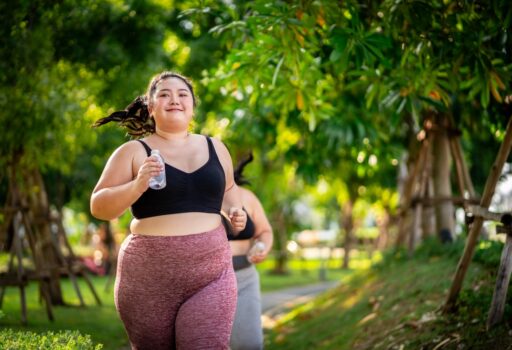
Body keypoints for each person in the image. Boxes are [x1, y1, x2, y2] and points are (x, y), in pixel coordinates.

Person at [90, 71, 247, 350]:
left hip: (211, 272)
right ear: (151, 107)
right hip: (148, 279)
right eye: (164, 94)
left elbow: (230, 191)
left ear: (192, 106)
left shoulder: (216, 148)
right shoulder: (133, 152)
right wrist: (137, 186)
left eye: (182, 94)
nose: (174, 99)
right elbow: (99, 206)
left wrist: (236, 210)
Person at [225, 153, 273, 350]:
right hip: (202, 281)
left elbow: (264, 231)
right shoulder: (193, 195)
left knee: (249, 344)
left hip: (244, 279)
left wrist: (261, 247)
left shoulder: (246, 197)